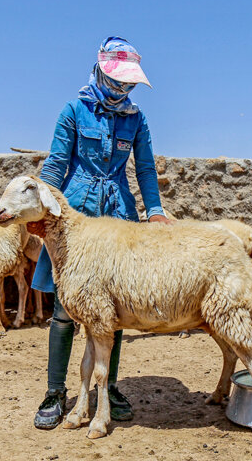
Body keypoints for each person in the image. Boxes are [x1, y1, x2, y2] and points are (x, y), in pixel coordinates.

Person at [30, 36, 171, 429]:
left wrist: (155, 210)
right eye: (118, 81)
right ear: (100, 71)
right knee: (64, 309)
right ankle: (56, 391)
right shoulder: (74, 110)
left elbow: (144, 168)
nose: (123, 89)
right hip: (73, 216)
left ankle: (106, 388)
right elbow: (56, 165)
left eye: (129, 84)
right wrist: (43, 210)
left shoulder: (136, 119)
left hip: (118, 217)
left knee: (115, 308)